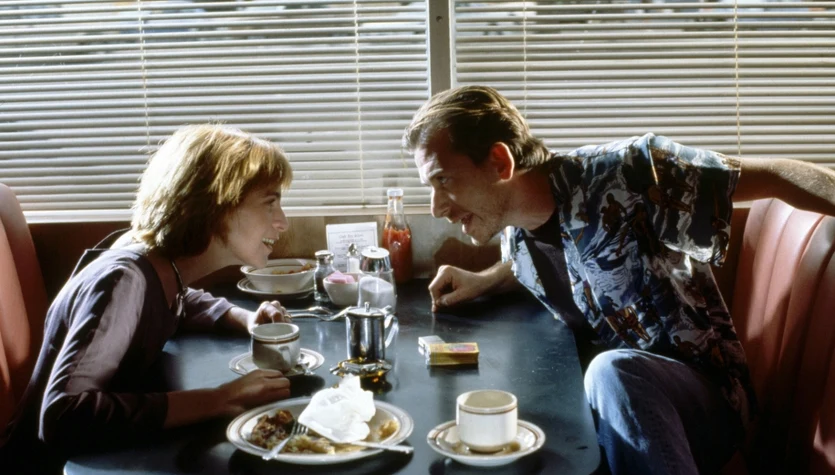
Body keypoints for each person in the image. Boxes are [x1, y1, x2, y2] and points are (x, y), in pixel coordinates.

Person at [403, 85, 835, 475]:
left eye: (444, 180)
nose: (437, 207)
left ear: (500, 162)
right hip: (611, 412)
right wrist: (484, 280)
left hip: (701, 401)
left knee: (612, 371)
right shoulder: (515, 236)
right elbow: (565, 262)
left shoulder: (629, 172)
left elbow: (775, 175)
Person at [0, 124, 296, 474]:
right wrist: (218, 398)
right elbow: (63, 416)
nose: (283, 222)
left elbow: (178, 299)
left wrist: (245, 318)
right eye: (270, 203)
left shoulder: (153, 262)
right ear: (215, 205)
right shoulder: (121, 281)